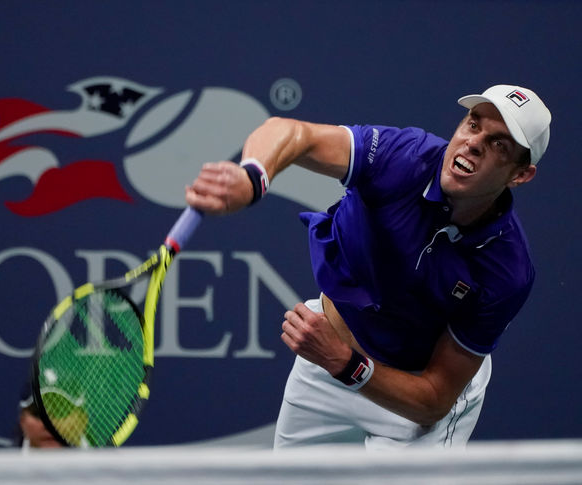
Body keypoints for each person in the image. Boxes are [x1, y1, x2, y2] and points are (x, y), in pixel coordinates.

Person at [184, 85, 551, 449]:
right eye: (473, 125)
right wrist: (252, 178)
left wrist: (347, 363)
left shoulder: (507, 271)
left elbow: (434, 400)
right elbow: (293, 133)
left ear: (520, 175)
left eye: (499, 145)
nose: (474, 143)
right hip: (325, 364)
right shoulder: (404, 157)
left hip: (411, 397)